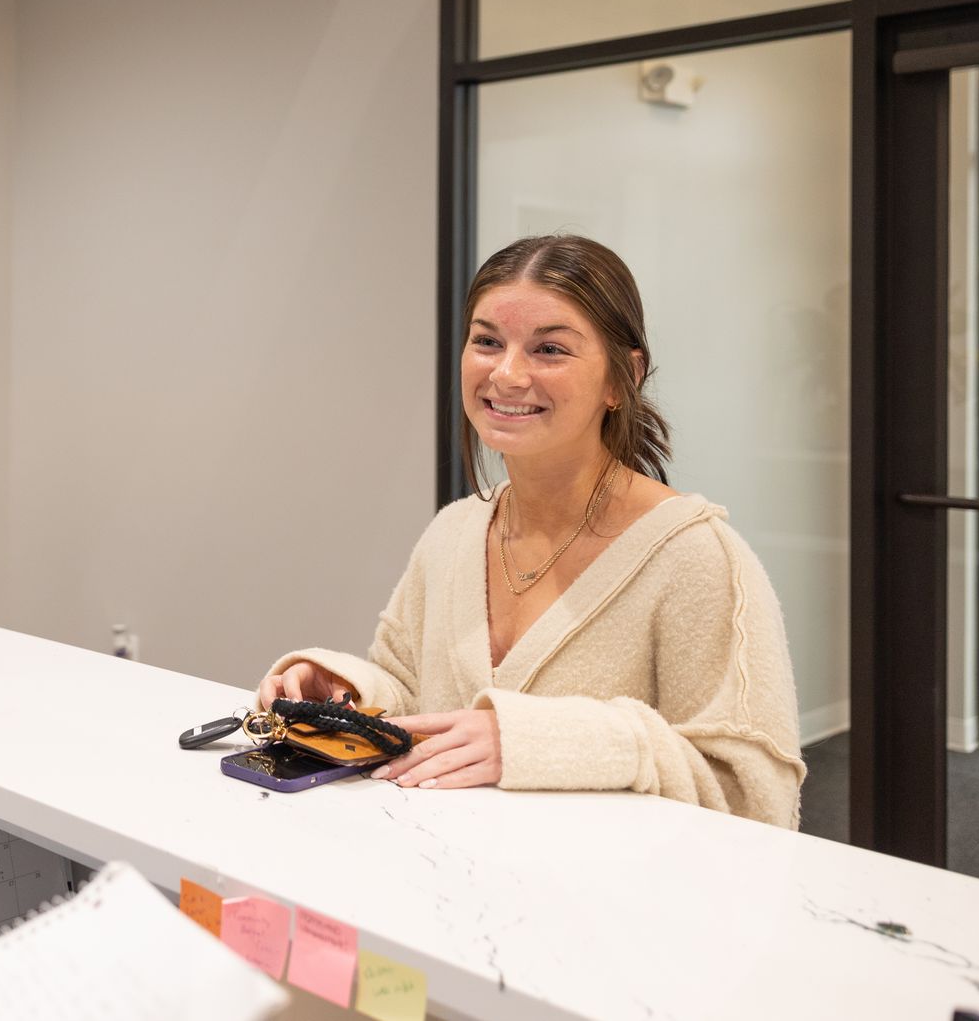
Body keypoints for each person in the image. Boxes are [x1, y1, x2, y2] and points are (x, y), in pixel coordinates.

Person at [256, 235, 806, 827]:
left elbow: (753, 793)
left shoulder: (695, 556)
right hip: (452, 890)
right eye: (487, 341)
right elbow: (415, 696)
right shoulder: (453, 533)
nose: (508, 374)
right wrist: (346, 691)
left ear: (622, 379)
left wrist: (533, 741)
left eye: (549, 349)